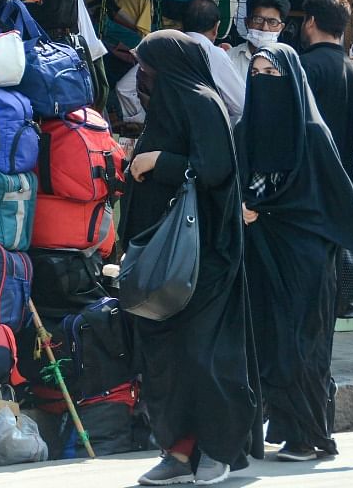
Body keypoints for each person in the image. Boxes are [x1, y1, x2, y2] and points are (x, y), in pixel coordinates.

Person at [120, 31, 261, 486]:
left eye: (148, 69)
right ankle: (177, 453)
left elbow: (214, 170)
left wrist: (158, 162)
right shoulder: (168, 106)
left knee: (203, 357)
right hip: (164, 263)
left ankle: (218, 449)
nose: (142, 78)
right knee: (165, 360)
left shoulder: (202, 103)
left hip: (205, 262)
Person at [236, 43, 353, 461]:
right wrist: (242, 205)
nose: (264, 83)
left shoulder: (312, 134)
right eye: (258, 76)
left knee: (301, 348)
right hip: (262, 257)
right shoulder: (245, 131)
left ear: (293, 81)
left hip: (305, 259)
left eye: (273, 75)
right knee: (269, 344)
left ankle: (309, 436)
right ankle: (285, 428)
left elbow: (339, 194)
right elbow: (230, 183)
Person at [297, 0, 353, 319]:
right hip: (343, 180)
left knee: (307, 281)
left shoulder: (304, 67)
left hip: (308, 185)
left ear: (310, 21)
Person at [182, 0, 246, 121]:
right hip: (199, 130)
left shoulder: (164, 45)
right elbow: (241, 105)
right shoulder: (214, 54)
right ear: (216, 28)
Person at [228, 0, 289, 77]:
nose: (264, 28)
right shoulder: (229, 58)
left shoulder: (288, 64)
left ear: (281, 27)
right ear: (247, 22)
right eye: (258, 20)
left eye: (272, 22)